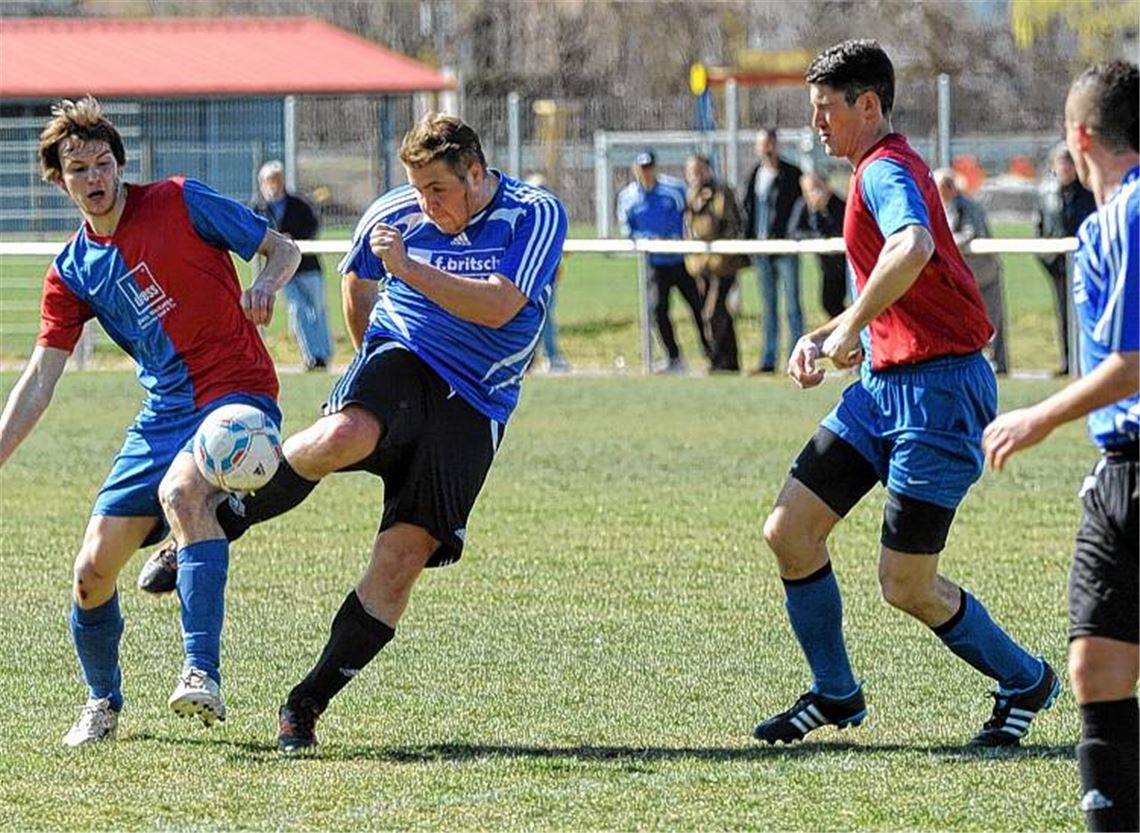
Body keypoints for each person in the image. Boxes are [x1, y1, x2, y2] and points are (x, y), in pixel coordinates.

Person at [143, 113, 567, 752]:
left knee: (400, 564)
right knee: (339, 435)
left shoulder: (535, 213)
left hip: (478, 402)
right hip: (405, 354)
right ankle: (213, 525)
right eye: (417, 189)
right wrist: (371, 349)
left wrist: (411, 268)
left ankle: (305, 702)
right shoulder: (395, 211)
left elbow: (499, 304)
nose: (426, 204)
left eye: (439, 190)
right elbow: (357, 275)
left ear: (476, 173)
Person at [752, 40, 1058, 748]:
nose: (816, 124)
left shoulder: (887, 169)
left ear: (868, 105)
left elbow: (912, 246)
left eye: (825, 109)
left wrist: (847, 328)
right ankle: (836, 692)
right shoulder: (874, 170)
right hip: (880, 389)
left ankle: (1025, 679)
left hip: (939, 396)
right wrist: (828, 334)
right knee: (789, 531)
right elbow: (899, 285)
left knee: (907, 584)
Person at [0, 96, 300, 746]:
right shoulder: (72, 271)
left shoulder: (180, 200)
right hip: (162, 414)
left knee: (182, 494)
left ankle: (201, 671)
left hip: (236, 392)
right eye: (79, 169)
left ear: (120, 163)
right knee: (91, 571)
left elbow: (281, 248)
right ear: (58, 179)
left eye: (103, 163)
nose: (95, 177)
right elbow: (40, 378)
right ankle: (101, 702)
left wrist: (265, 285)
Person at [983, 60, 1138, 832]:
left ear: (1078, 136)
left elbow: (1134, 360)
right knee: (1095, 666)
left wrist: (1038, 417)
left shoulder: (1135, 211)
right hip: (1118, 473)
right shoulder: (1105, 221)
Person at [617, 149, 711, 373]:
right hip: (654, 263)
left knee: (699, 307)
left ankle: (712, 354)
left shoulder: (674, 190)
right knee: (658, 310)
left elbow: (690, 216)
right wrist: (650, 239)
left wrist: (680, 238)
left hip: (680, 260)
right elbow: (627, 230)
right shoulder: (628, 197)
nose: (646, 172)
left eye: (649, 167)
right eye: (642, 168)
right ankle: (674, 357)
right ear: (635, 170)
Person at [254, 160, 333, 371]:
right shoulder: (260, 209)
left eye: (277, 180)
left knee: (317, 309)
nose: (274, 184)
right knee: (297, 309)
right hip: (282, 270)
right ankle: (310, 357)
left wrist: (293, 238)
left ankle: (324, 355)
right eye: (270, 181)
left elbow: (312, 227)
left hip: (307, 266)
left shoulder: (299, 204)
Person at [934, 168, 1009, 375]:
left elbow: (972, 234)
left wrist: (944, 243)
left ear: (950, 187)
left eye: (941, 188)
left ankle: (998, 364)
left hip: (984, 273)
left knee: (992, 319)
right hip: (960, 276)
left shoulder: (969, 207)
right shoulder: (939, 206)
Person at [742, 128, 805, 373]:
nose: (766, 148)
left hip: (785, 249)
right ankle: (768, 359)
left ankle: (796, 358)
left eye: (770, 143)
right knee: (768, 307)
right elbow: (748, 210)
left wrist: (791, 234)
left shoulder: (792, 174)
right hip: (761, 251)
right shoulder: (754, 175)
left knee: (792, 306)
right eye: (762, 144)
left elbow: (800, 208)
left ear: (776, 145)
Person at [1036, 144, 1098, 376]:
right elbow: (1040, 227)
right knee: (1063, 313)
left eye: (1069, 163)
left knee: (1085, 312)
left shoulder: (1088, 192)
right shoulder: (1046, 193)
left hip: (1084, 262)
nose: (1065, 168)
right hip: (1058, 265)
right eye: (1062, 163)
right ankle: (1067, 361)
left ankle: (1085, 362)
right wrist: (1047, 258)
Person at [683, 153, 745, 372]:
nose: (695, 175)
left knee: (713, 312)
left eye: (699, 170)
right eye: (691, 171)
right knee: (718, 313)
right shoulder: (690, 196)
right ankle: (727, 362)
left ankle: (719, 359)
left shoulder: (721, 192)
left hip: (722, 264)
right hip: (700, 265)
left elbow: (732, 225)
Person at [525, 173, 571, 373]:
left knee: (546, 317)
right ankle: (531, 359)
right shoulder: (524, 218)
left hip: (548, 278)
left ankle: (550, 357)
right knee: (530, 318)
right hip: (526, 280)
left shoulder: (553, 216)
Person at [787, 171, 848, 319]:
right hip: (826, 264)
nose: (813, 194)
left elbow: (840, 231)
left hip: (845, 262)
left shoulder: (840, 204)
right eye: (808, 191)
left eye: (816, 187)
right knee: (828, 303)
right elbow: (794, 231)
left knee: (849, 301)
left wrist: (823, 211)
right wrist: (815, 214)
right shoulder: (803, 205)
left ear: (826, 186)